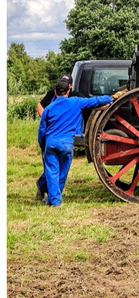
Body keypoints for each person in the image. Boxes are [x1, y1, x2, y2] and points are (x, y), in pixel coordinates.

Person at [37, 75, 114, 206]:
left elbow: (42, 130)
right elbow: (95, 101)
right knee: (62, 173)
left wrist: (43, 144)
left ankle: (54, 200)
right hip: (66, 144)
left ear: (55, 93)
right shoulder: (76, 102)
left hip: (50, 143)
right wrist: (111, 98)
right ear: (68, 91)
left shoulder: (48, 109)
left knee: (51, 172)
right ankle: (53, 199)